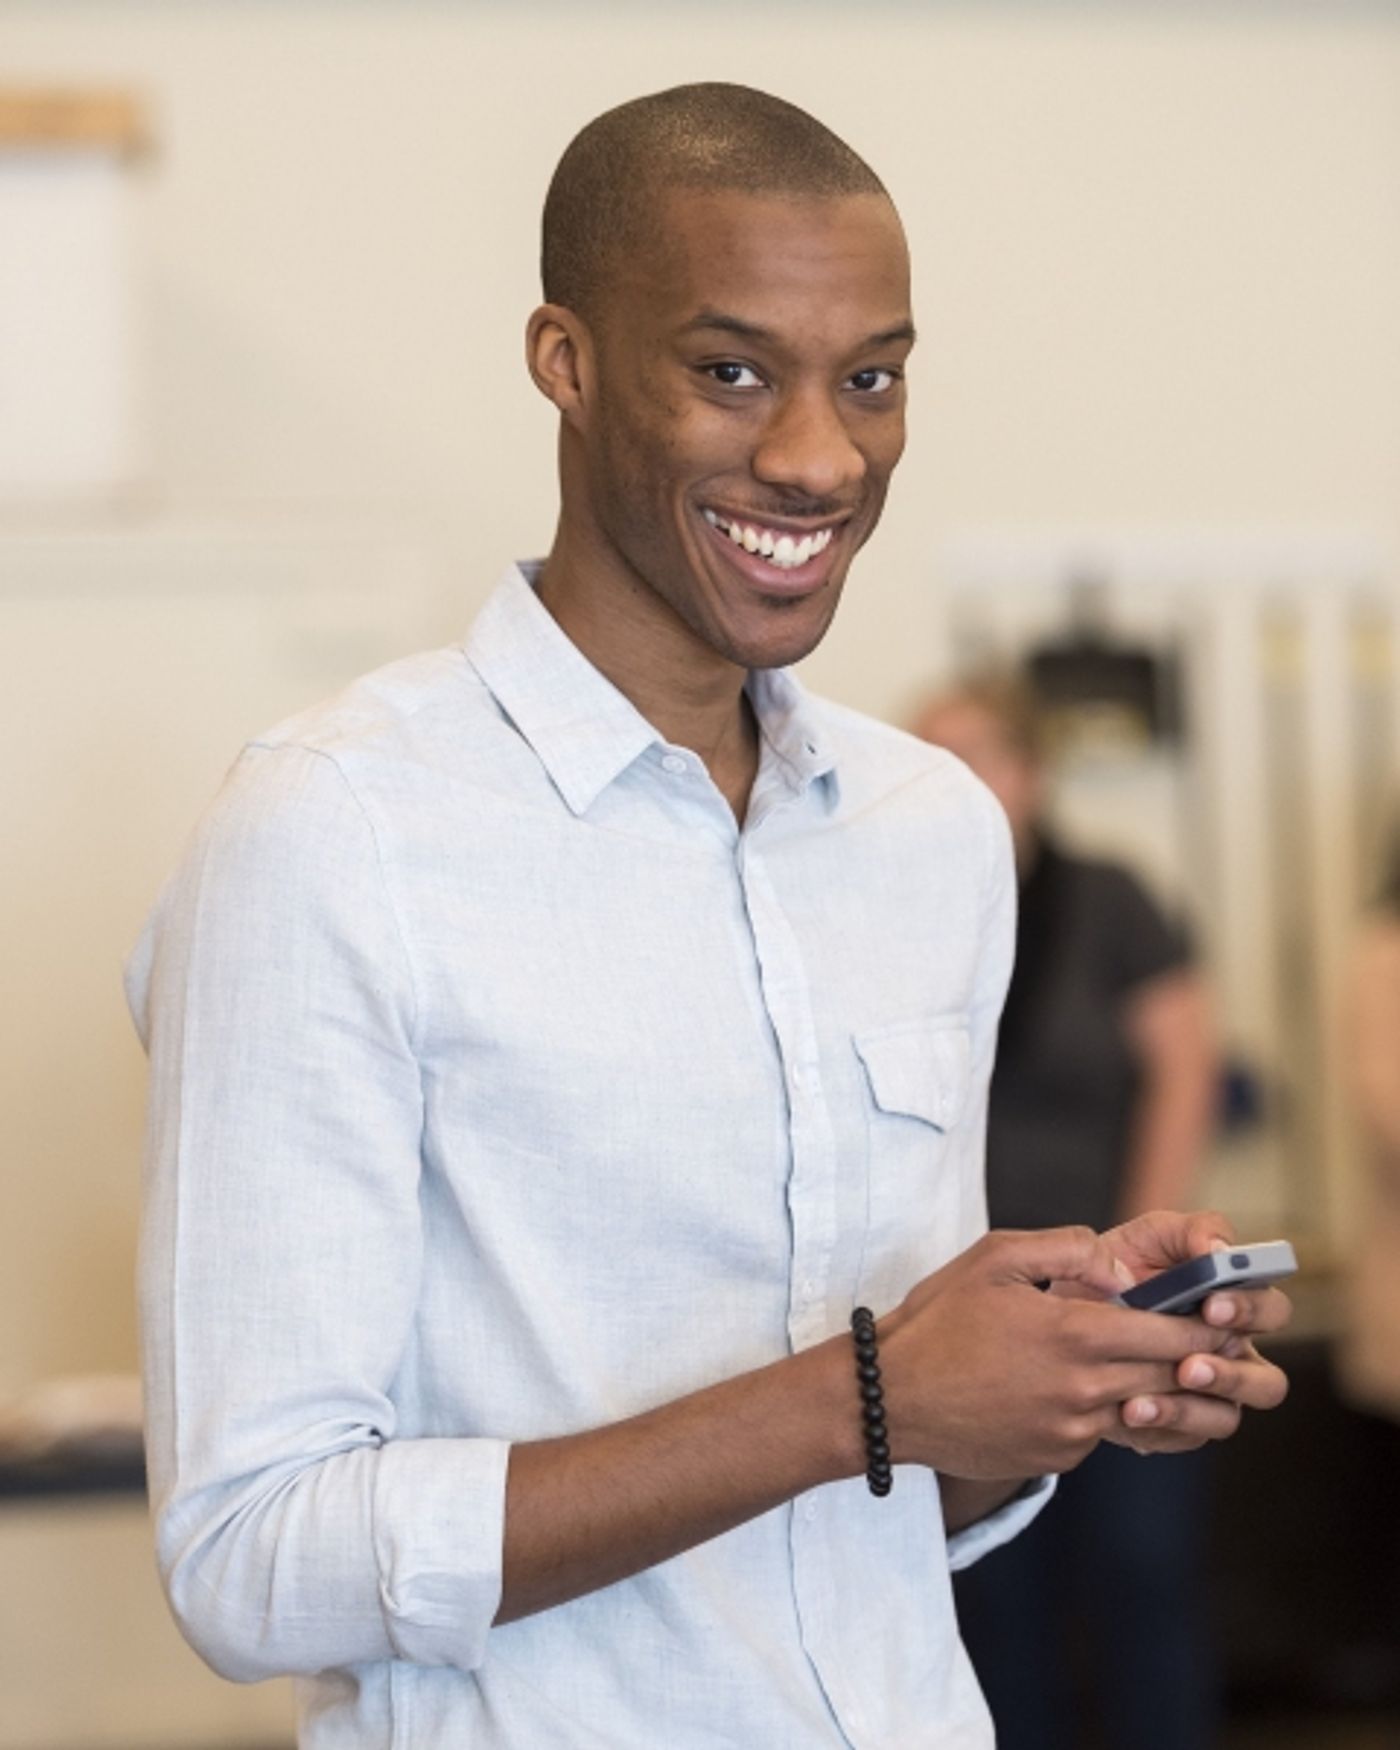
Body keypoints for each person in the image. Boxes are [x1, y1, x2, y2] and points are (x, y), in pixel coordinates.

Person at [126, 85, 1289, 1749]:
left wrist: (1053, 1388)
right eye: (730, 370)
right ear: (568, 358)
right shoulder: (333, 830)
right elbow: (250, 1557)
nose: (819, 456)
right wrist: (867, 1394)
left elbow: (889, 1506)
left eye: (870, 378)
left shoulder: (932, 834)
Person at [914, 674, 1225, 1750]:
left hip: (1112, 1289)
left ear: (1029, 773)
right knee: (990, 1590)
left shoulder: (1109, 898)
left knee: (1138, 1568)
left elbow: (1183, 1072)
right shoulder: (901, 902)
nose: (951, 780)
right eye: (929, 755)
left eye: (975, 755)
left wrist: (1141, 1268)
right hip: (964, 1303)